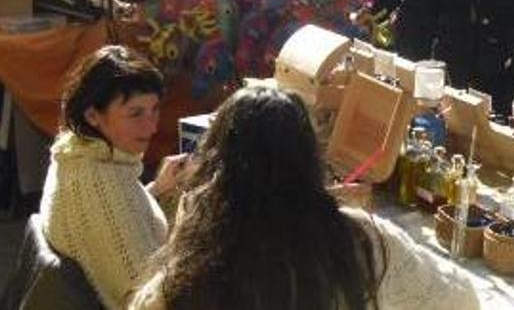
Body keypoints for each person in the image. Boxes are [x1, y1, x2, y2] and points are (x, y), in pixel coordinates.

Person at [129, 86, 479, 310]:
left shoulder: (188, 273)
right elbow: (461, 300)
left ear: (214, 165)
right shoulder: (359, 238)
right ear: (310, 160)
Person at [38, 46, 189, 310]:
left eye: (154, 109)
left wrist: (157, 190)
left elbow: (113, 223)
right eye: (135, 113)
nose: (152, 126)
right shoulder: (97, 185)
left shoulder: (77, 154)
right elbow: (147, 303)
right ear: (93, 115)